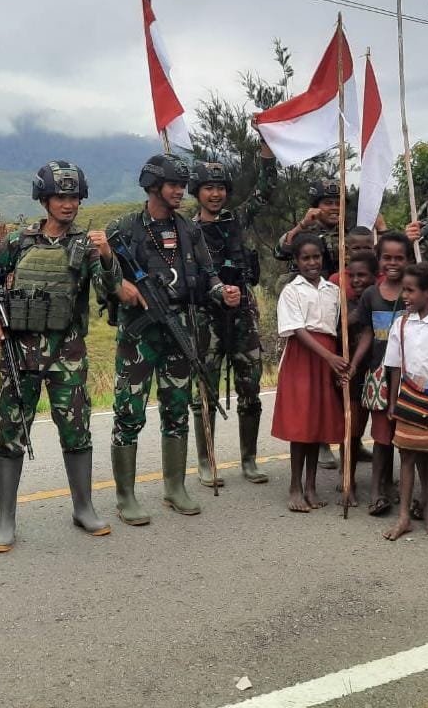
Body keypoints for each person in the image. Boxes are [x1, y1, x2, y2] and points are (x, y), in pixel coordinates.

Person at [0, 162, 121, 551]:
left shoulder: (86, 246)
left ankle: (84, 508)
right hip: (19, 354)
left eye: (74, 196)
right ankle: (5, 520)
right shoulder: (19, 242)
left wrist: (107, 255)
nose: (68, 203)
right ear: (44, 200)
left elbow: (112, 290)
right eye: (61, 196)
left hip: (67, 355)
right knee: (10, 433)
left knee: (76, 431)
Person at [106, 154, 241, 525]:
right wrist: (121, 286)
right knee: (129, 413)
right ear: (153, 187)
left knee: (177, 408)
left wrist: (221, 292)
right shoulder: (125, 228)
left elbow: (208, 274)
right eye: (173, 185)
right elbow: (102, 275)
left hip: (180, 329)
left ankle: (174, 488)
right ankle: (126, 496)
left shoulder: (188, 230)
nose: (180, 191)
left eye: (182, 185)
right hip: (139, 334)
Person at [188, 144, 277, 487]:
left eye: (221, 187)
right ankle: (205, 460)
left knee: (250, 385)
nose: (215, 194)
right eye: (209, 188)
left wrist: (267, 152)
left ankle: (249, 460)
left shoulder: (236, 219)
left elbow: (266, 190)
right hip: (205, 316)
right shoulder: (187, 230)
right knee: (205, 390)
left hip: (243, 313)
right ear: (197, 191)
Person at [272, 233, 346, 512]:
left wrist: (336, 359)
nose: (312, 262)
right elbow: (298, 330)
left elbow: (336, 327)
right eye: (306, 258)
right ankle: (295, 487)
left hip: (328, 355)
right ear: (296, 261)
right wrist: (329, 357)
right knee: (301, 423)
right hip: (303, 357)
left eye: (316, 257)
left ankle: (312, 486)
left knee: (317, 424)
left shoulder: (332, 291)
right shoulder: (292, 291)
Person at [382, 263, 428, 540]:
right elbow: (394, 366)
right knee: (407, 456)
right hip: (408, 400)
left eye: (411, 290)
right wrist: (392, 403)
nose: (405, 295)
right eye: (404, 290)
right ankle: (404, 515)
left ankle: (427, 509)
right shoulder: (401, 323)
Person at [349, 232, 409, 515]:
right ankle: (376, 490)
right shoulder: (372, 294)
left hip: (410, 375)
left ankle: (398, 488)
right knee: (382, 435)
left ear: (409, 259)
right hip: (379, 374)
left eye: (399, 258)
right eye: (387, 257)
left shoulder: (413, 291)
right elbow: (367, 332)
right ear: (379, 259)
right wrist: (354, 364)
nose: (393, 263)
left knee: (406, 435)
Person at [337, 249, 378, 502]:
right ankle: (348, 481)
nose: (356, 280)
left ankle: (381, 483)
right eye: (352, 275)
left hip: (378, 372)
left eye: (362, 275)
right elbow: (338, 329)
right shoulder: (344, 303)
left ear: (375, 276)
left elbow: (372, 332)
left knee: (383, 434)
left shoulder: (381, 301)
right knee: (351, 431)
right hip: (352, 374)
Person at [275, 178, 343, 281]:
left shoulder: (350, 234)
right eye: (328, 203)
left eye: (338, 204)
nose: (334, 208)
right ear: (316, 206)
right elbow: (280, 253)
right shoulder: (304, 232)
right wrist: (302, 225)